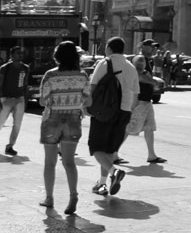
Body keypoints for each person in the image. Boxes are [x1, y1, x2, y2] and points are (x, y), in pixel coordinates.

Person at [38, 41, 91, 214]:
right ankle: (73, 195)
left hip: (52, 120)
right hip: (73, 121)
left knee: (50, 162)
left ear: (57, 56)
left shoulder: (50, 75)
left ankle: (49, 198)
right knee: (69, 162)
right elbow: (88, 101)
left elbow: (41, 101)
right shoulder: (82, 76)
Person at [87, 37, 139, 197]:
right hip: (124, 111)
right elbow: (136, 96)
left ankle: (113, 171)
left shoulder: (105, 63)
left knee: (96, 148)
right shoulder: (131, 66)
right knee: (109, 149)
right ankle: (102, 183)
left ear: (109, 48)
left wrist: (87, 107)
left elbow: (93, 87)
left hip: (105, 111)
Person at [121, 55, 165, 164]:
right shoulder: (133, 72)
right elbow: (140, 78)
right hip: (138, 103)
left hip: (147, 103)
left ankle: (152, 155)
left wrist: (153, 83)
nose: (141, 64)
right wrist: (153, 82)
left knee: (149, 128)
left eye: (142, 62)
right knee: (128, 129)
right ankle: (113, 153)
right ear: (133, 63)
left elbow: (147, 80)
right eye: (138, 62)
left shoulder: (146, 73)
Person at [0, 46, 30, 156]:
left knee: (17, 124)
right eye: (17, 53)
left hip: (19, 99)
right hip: (6, 98)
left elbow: (25, 84)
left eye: (21, 53)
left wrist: (25, 100)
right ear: (11, 55)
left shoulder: (25, 68)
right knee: (1, 122)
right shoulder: (5, 68)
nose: (20, 55)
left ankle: (10, 146)